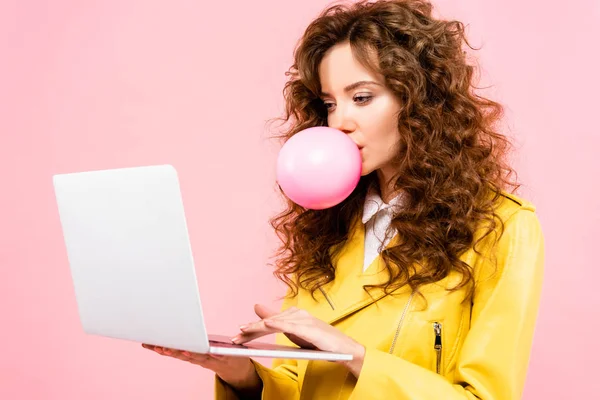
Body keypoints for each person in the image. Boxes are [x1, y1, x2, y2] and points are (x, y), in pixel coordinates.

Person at [142, 0, 545, 398]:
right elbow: (300, 386)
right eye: (330, 104)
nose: (339, 123)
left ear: (420, 100)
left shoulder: (501, 228)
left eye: (363, 98)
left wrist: (354, 356)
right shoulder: (325, 226)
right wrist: (242, 374)